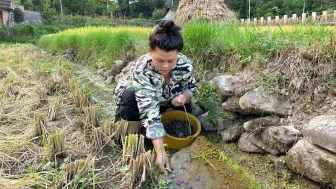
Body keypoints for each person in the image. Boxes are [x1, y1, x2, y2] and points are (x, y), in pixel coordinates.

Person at [114, 20, 197, 172]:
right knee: (130, 97)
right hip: (135, 96)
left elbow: (191, 87)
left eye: (171, 61)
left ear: (178, 54)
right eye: (159, 60)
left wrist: (184, 96)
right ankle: (132, 137)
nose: (165, 66)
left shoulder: (185, 65)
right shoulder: (142, 70)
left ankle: (161, 124)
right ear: (150, 52)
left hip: (164, 95)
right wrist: (160, 152)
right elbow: (148, 109)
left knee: (186, 111)